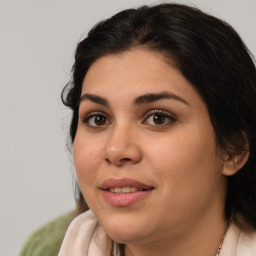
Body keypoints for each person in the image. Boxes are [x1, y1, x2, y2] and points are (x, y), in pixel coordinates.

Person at [59, 3, 256, 256]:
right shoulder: (44, 247)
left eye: (158, 118)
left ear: (234, 149)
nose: (116, 149)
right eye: (98, 119)